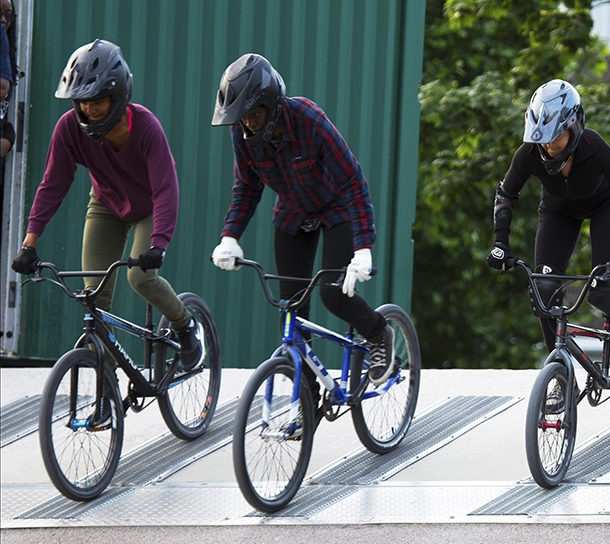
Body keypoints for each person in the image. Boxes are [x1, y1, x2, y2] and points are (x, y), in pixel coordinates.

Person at [10, 39, 201, 368]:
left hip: (149, 208)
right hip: (105, 205)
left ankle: (186, 325)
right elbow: (53, 184)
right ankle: (106, 389)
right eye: (82, 101)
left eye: (98, 100)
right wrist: (29, 243)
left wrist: (159, 244)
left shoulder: (146, 128)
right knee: (94, 300)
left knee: (140, 278)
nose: (88, 109)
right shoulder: (69, 129)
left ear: (119, 94)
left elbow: (166, 188)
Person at [209, 53, 393, 384]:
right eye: (241, 118)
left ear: (272, 103)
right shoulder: (243, 134)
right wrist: (230, 237)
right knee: (292, 309)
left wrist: (363, 249)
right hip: (293, 214)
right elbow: (247, 187)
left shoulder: (310, 121)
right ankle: (305, 396)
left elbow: (353, 183)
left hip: (336, 209)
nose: (248, 123)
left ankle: (379, 333)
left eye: (254, 114)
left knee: (333, 294)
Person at [485, 79, 610, 379]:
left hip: (606, 206)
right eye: (542, 139)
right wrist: (500, 242)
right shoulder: (529, 153)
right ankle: (558, 373)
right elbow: (506, 194)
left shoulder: (595, 148)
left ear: (575, 127)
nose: (549, 147)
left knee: (603, 290)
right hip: (558, 211)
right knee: (543, 290)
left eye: (557, 138)